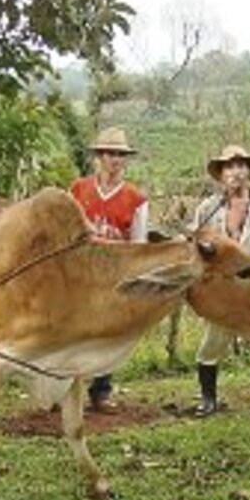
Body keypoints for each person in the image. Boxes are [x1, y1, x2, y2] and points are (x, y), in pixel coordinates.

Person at [191, 144, 250, 417]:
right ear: (221, 174)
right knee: (212, 345)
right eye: (230, 167)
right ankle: (208, 399)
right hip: (222, 292)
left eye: (241, 165)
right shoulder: (207, 209)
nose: (236, 172)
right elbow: (195, 248)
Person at [69, 126, 148, 413]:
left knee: (107, 332)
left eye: (120, 155)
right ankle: (66, 388)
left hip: (114, 274)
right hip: (81, 272)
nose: (115, 160)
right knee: (74, 330)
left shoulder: (136, 199)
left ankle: (101, 390)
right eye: (110, 154)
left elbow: (138, 244)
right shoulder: (79, 190)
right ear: (99, 157)